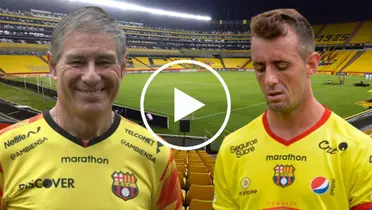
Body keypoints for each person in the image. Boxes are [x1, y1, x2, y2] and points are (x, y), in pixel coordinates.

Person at [0, 7, 182, 210]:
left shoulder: (158, 155)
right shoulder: (5, 151)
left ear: (122, 68)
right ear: (52, 66)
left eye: (104, 62)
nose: (91, 77)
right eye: (77, 61)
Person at [213, 8, 372, 210]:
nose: (269, 80)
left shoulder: (359, 149)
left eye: (281, 65)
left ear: (311, 64)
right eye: (260, 68)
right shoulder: (232, 150)